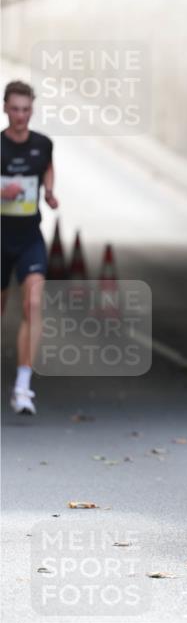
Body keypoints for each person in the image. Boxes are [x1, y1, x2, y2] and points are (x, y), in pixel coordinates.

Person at [1, 80, 58, 414]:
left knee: (33, 304)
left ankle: (23, 387)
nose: (20, 116)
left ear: (32, 110)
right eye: (15, 109)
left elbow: (47, 168)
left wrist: (49, 192)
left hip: (28, 238)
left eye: (26, 110)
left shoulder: (42, 144)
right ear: (5, 109)